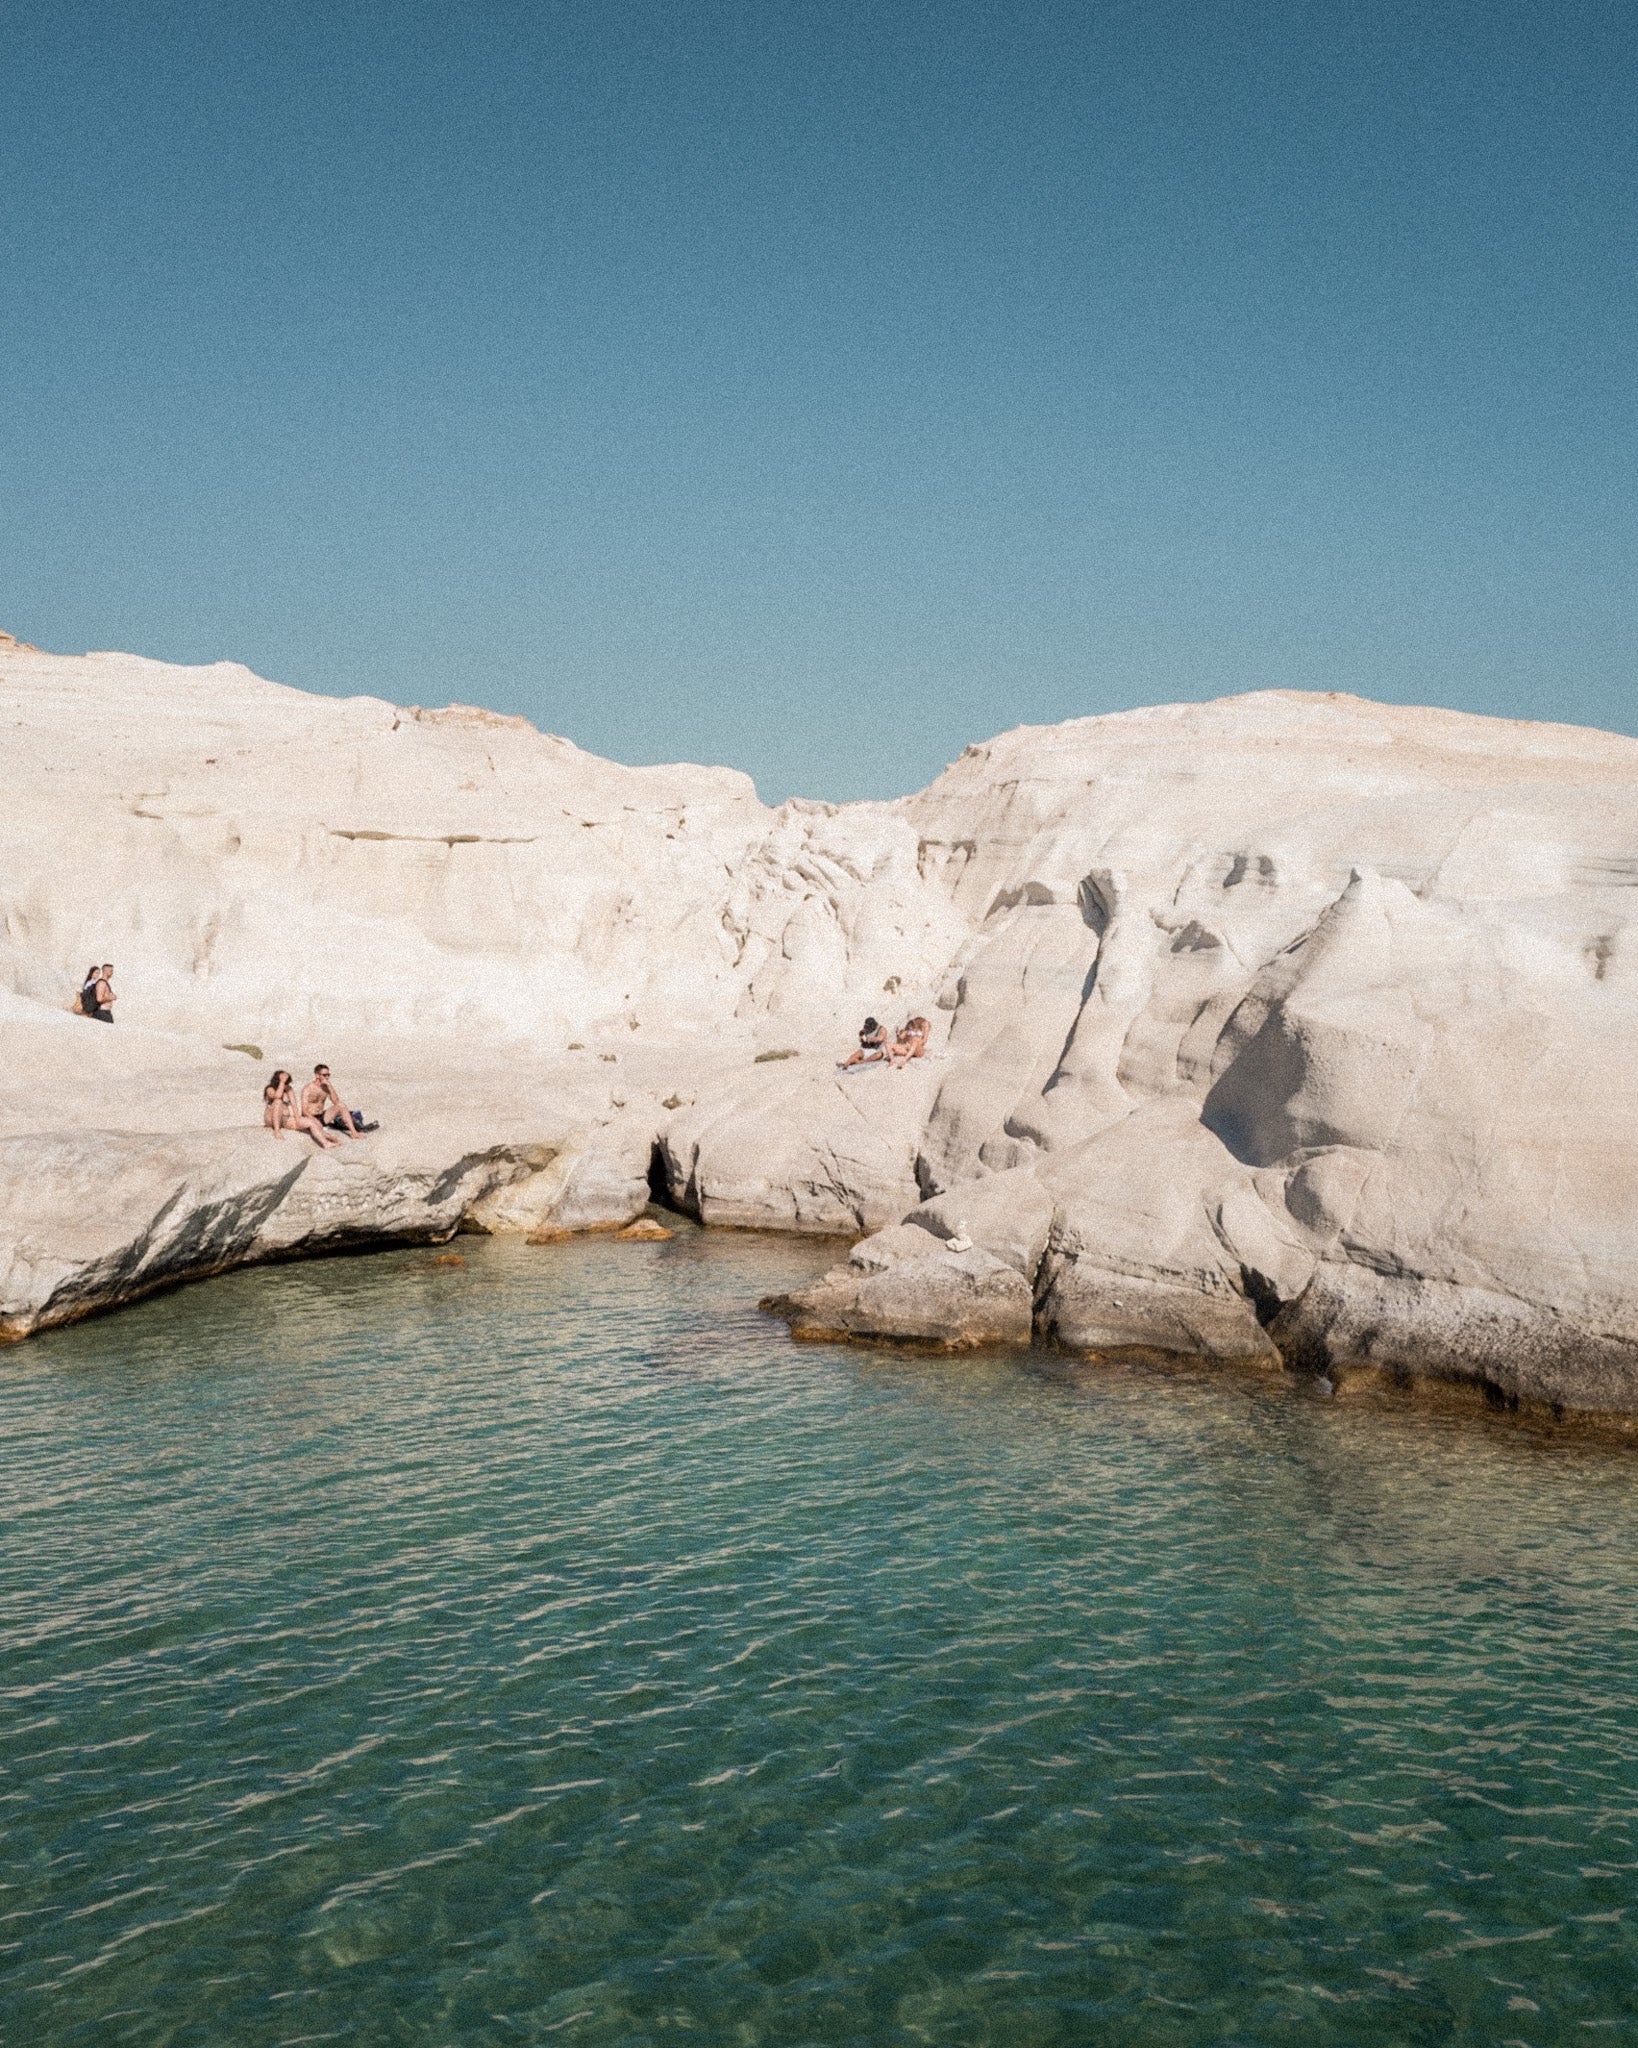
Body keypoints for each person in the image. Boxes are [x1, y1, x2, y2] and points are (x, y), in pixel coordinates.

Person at [264, 1069, 342, 1148]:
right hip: (271, 1118)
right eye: (285, 1081)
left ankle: (325, 1142)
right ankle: (277, 1131)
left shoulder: (288, 1088)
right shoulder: (270, 1089)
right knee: (278, 1101)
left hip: (285, 1119)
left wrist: (298, 1119)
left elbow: (294, 1105)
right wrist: (282, 1082)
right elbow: (278, 1096)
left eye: (287, 1082)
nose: (286, 1084)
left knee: (310, 1122)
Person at [301, 1063, 375, 1136]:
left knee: (341, 1105)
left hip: (321, 1116)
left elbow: (336, 1101)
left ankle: (353, 1132)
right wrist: (315, 1121)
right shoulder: (307, 1089)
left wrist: (330, 1086)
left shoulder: (326, 1087)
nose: (327, 1077)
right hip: (310, 1117)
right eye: (324, 1075)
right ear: (317, 1075)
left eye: (328, 1075)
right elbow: (304, 1111)